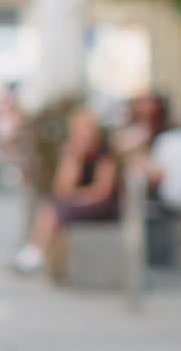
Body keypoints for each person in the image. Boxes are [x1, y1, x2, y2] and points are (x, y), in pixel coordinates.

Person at [12, 109, 120, 274]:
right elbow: (62, 188)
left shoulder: (105, 155)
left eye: (88, 130)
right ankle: (39, 253)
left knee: (54, 210)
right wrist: (74, 158)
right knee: (51, 207)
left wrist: (75, 197)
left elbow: (102, 192)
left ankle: (36, 251)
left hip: (103, 207)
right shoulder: (73, 153)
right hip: (77, 204)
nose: (85, 135)